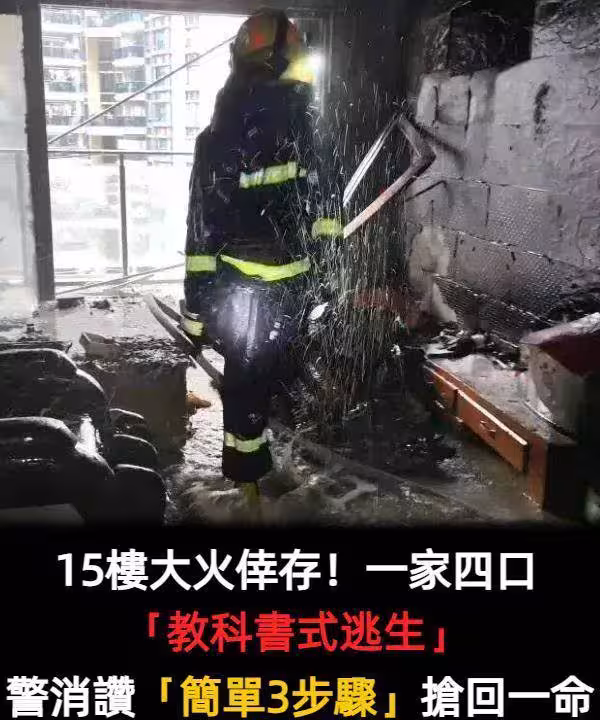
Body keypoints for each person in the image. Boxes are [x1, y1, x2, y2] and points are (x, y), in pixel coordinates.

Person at [181, 9, 343, 507]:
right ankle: (275, 474)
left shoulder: (218, 137)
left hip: (241, 293)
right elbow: (328, 213)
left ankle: (247, 487)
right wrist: (327, 279)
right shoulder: (311, 130)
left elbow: (203, 230)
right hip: (296, 290)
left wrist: (195, 312)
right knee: (277, 375)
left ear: (240, 61)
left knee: (245, 389)